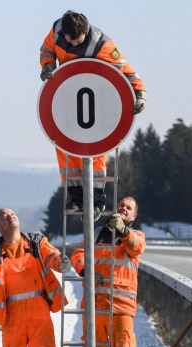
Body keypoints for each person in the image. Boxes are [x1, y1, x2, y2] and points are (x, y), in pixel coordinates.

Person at [39, 10, 148, 221]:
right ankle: (76, 196)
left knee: (96, 154)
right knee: (64, 149)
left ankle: (97, 200)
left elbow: (125, 68)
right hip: (68, 99)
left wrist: (140, 92)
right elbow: (46, 49)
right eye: (69, 41)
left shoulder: (102, 44)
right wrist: (48, 65)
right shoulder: (57, 30)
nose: (72, 45)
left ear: (85, 32)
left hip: (99, 104)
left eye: (77, 41)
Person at [0, 208, 71, 347]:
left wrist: (60, 262)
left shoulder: (36, 242)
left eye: (13, 214)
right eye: (4, 216)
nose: (10, 217)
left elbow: (51, 254)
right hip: (11, 319)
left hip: (39, 316)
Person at [71, 197, 146, 347]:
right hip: (95, 307)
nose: (123, 208)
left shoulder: (136, 236)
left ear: (133, 216)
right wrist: (85, 270)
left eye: (128, 207)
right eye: (121, 205)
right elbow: (78, 254)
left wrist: (123, 230)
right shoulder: (96, 234)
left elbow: (136, 247)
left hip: (121, 309)